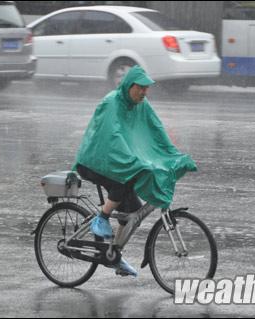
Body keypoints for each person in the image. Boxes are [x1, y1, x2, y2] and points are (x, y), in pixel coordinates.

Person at [72, 65, 197, 277]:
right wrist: (133, 160)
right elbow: (113, 136)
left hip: (115, 160)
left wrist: (172, 156)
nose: (144, 92)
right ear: (129, 86)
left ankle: (114, 255)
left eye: (146, 88)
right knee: (124, 177)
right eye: (140, 88)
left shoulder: (142, 104)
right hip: (95, 160)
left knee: (132, 215)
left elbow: (157, 130)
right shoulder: (113, 102)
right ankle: (101, 218)